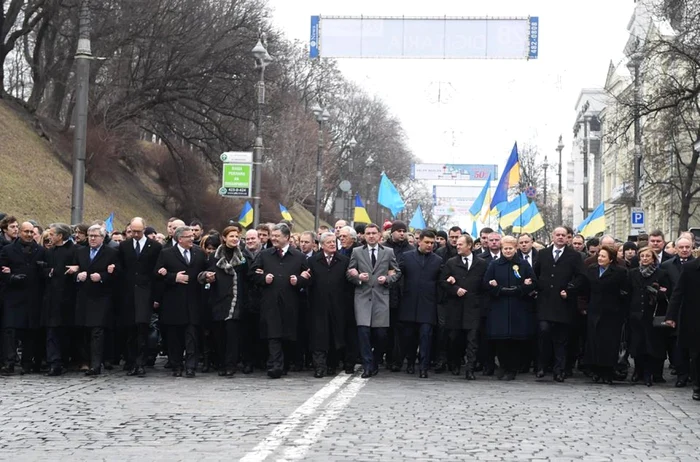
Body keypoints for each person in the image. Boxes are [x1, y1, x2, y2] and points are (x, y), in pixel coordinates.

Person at [250, 223, 309, 379]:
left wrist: (299, 280)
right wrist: (263, 278)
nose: (273, 239)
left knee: (288, 335)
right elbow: (252, 275)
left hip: (291, 302)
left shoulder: (299, 256)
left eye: (277, 236)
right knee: (273, 334)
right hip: (270, 302)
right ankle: (274, 366)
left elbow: (309, 277)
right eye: (272, 236)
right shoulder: (264, 255)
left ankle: (285, 364)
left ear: (287, 237)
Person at [347, 223, 401, 378]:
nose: (371, 236)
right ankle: (367, 365)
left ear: (379, 235)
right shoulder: (357, 252)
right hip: (362, 297)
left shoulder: (388, 252)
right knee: (363, 332)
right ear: (363, 235)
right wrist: (357, 277)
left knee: (381, 334)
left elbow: (397, 272)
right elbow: (349, 273)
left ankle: (376, 360)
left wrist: (388, 279)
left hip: (381, 298)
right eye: (368, 233)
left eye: (373, 233)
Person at [154, 225, 209, 378]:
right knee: (174, 338)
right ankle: (176, 365)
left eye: (192, 236)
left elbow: (206, 269)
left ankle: (190, 367)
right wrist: (173, 277)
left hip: (193, 302)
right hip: (173, 303)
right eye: (188, 236)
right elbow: (157, 275)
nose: (192, 238)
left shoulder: (199, 253)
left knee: (192, 336)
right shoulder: (166, 254)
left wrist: (208, 276)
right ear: (179, 239)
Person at [533, 227, 585, 382]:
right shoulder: (543, 254)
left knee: (561, 338)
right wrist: (536, 287)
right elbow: (535, 273)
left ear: (567, 238)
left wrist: (570, 289)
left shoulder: (574, 256)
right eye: (558, 235)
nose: (561, 237)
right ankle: (541, 366)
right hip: (545, 302)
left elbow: (581, 277)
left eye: (563, 235)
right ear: (553, 236)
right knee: (544, 333)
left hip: (563, 304)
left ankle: (559, 370)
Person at [483, 236, 536, 380]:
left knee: (514, 340)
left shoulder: (523, 264)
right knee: (501, 340)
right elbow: (486, 283)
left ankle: (513, 368)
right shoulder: (494, 265)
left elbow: (533, 282)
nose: (507, 251)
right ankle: (503, 366)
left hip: (517, 307)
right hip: (499, 306)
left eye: (510, 248)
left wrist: (522, 288)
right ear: (501, 249)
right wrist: (497, 289)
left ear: (515, 249)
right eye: (505, 248)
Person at [302, 232, 353, 378]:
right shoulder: (313, 261)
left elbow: (348, 283)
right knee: (319, 337)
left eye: (334, 242)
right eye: (329, 242)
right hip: (318, 305)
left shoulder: (343, 260)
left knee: (335, 336)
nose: (332, 244)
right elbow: (308, 282)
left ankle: (332, 364)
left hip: (338, 305)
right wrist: (303, 279)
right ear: (322, 245)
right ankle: (319, 367)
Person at [118, 217, 162, 377]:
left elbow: (157, 272)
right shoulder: (124, 246)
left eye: (138, 231)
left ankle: (141, 362)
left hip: (146, 292)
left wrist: (156, 296)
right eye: (133, 231)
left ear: (144, 229)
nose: (135, 234)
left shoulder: (155, 247)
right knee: (130, 329)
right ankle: (131, 362)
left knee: (142, 327)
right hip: (128, 293)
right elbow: (121, 269)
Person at [0, 222, 46, 374]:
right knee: (10, 330)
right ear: (19, 232)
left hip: (33, 296)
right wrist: (11, 277)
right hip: (13, 295)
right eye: (26, 231)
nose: (29, 235)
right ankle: (9, 362)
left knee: (30, 331)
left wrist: (42, 269)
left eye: (31, 232)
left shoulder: (40, 250)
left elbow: (45, 271)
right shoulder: (7, 249)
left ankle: (27, 362)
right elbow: (2, 269)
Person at [74, 224, 119, 376]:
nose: (92, 238)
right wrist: (78, 275)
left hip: (101, 296)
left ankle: (96, 364)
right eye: (90, 235)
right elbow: (75, 268)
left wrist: (102, 277)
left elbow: (117, 273)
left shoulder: (111, 252)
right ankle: (85, 361)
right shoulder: (80, 251)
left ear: (102, 237)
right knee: (84, 330)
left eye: (95, 236)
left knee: (97, 331)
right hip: (83, 295)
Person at [440, 235, 488, 379]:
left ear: (470, 246)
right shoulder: (451, 262)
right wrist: (454, 288)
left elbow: (484, 284)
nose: (457, 246)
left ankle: (470, 369)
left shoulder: (481, 263)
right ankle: (454, 363)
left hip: (473, 307)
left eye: (461, 244)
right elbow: (442, 282)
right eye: (457, 244)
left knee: (472, 339)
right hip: (455, 307)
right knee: (455, 338)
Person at [398, 230, 443, 378]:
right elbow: (398, 275)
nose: (430, 245)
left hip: (428, 305)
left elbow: (440, 281)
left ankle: (423, 367)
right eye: (427, 242)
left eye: (432, 243)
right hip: (409, 303)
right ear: (420, 242)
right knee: (409, 336)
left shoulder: (437, 260)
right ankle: (410, 363)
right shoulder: (407, 257)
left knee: (426, 336)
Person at [204, 226, 247, 377]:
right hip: (218, 299)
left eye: (237, 236)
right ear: (224, 238)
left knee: (232, 336)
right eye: (232, 236)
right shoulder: (213, 257)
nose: (235, 239)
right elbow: (203, 273)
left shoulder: (243, 257)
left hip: (235, 301)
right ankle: (221, 363)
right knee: (219, 336)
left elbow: (247, 279)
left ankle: (230, 365)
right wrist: (206, 276)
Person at [581, 246, 628, 384]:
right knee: (593, 341)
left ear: (611, 259)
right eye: (599, 256)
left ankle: (607, 371)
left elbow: (624, 292)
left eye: (603, 256)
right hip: (594, 310)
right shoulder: (591, 269)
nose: (600, 258)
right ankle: (595, 370)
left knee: (609, 343)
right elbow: (585, 288)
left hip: (612, 312)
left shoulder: (620, 272)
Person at [627, 246, 671, 386]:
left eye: (648, 256)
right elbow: (628, 292)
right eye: (642, 256)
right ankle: (637, 371)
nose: (645, 259)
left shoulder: (661, 273)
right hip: (636, 314)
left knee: (652, 345)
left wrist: (658, 292)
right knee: (637, 344)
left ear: (653, 259)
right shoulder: (633, 273)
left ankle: (650, 372)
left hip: (652, 315)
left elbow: (667, 293)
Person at [41, 223, 78, 376]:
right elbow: (43, 269)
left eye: (52, 233)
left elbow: (80, 266)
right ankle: (54, 362)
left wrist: (76, 269)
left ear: (60, 236)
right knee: (52, 331)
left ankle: (64, 360)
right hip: (51, 298)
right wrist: (48, 272)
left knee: (64, 331)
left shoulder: (74, 251)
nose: (49, 236)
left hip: (67, 298)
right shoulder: (50, 252)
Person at [665, 250, 700, 402]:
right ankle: (698, 386)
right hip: (695, 318)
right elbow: (678, 293)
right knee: (697, 355)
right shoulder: (690, 268)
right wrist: (671, 316)